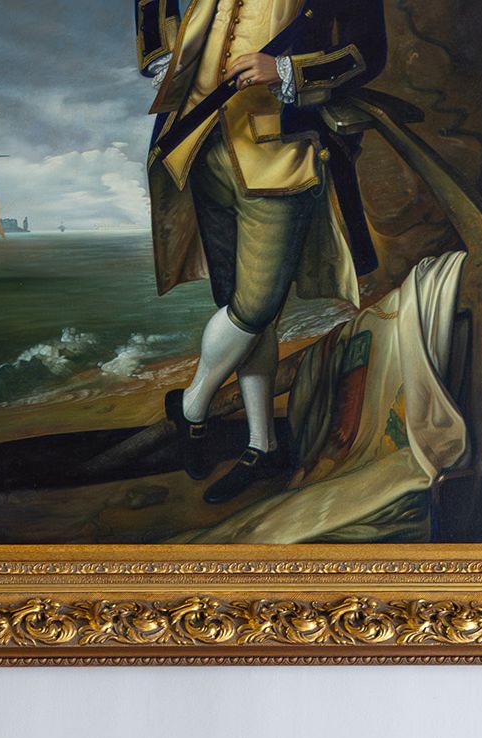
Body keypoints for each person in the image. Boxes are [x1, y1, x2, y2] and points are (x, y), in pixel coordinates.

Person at [136, 0, 387, 505]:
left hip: (282, 153)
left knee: (254, 307)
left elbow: (369, 51)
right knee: (246, 309)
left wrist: (288, 69)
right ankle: (262, 445)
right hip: (200, 142)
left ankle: (191, 405)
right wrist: (167, 57)